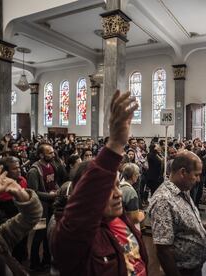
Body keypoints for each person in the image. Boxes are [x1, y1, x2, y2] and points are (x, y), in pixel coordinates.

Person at [52, 90, 148, 275]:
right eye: (107, 190)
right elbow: (82, 214)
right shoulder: (74, 237)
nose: (118, 194)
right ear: (86, 194)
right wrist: (115, 145)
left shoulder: (120, 219)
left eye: (117, 186)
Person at [148, 151, 206, 276]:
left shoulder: (183, 191)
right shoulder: (164, 200)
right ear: (183, 172)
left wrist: (204, 227)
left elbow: (182, 228)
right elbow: (163, 250)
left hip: (194, 268)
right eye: (196, 175)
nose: (198, 180)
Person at [27, 143, 60, 270]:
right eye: (49, 153)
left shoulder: (51, 165)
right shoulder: (34, 171)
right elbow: (33, 192)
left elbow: (53, 182)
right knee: (39, 235)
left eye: (53, 152)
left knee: (49, 234)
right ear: (41, 155)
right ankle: (34, 263)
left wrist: (57, 190)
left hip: (51, 206)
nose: (53, 154)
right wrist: (50, 196)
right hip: (41, 209)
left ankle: (47, 260)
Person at [0, 156, 29, 263]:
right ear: (5, 171)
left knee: (22, 250)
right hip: (8, 225)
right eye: (14, 168)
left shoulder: (22, 180)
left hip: (23, 222)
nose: (19, 170)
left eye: (19, 167)